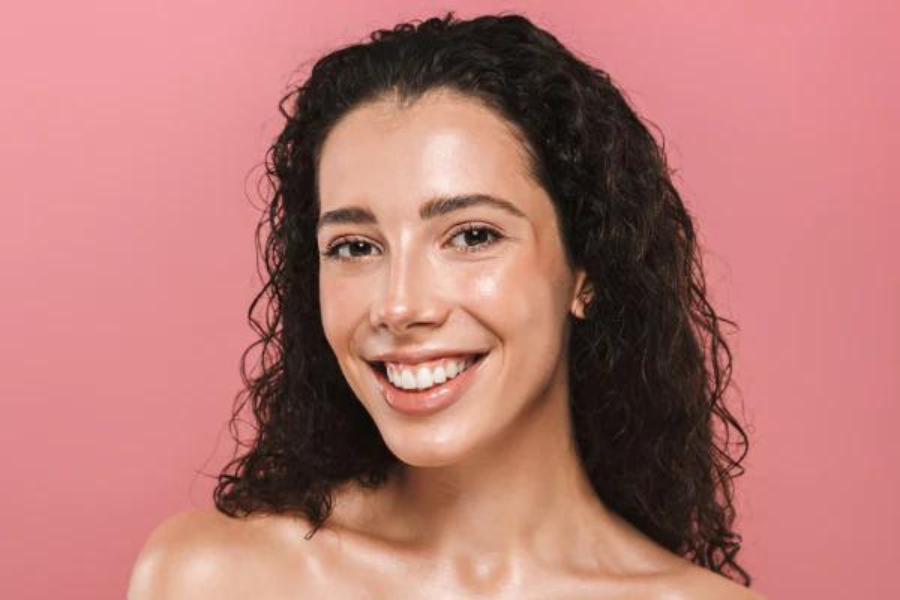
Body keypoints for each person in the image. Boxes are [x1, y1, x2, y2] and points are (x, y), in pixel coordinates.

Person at [128, 11, 763, 599]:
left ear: (584, 272)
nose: (399, 306)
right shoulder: (216, 578)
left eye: (472, 236)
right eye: (354, 246)